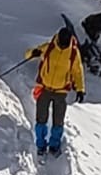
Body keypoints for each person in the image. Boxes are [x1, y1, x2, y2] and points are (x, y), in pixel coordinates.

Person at [24, 23, 85, 156]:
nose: (63, 45)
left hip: (61, 92)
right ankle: (40, 145)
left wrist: (80, 89)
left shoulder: (73, 53)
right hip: (44, 89)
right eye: (61, 42)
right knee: (41, 120)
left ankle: (54, 146)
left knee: (58, 122)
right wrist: (33, 53)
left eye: (65, 43)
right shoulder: (49, 47)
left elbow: (77, 71)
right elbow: (27, 55)